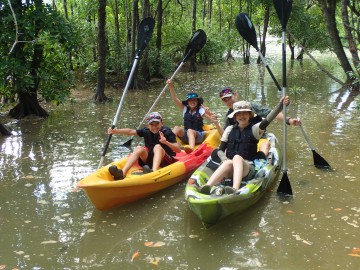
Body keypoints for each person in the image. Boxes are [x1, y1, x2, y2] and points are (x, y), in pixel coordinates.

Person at [199, 97, 288, 195]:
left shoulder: (255, 129)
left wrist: (280, 105)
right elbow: (220, 150)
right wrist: (224, 159)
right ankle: (208, 186)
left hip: (247, 169)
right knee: (228, 162)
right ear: (235, 116)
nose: (242, 116)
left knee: (237, 158)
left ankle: (235, 188)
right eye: (239, 113)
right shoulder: (229, 129)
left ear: (249, 115)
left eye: (245, 113)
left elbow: (268, 118)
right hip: (229, 169)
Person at [210, 88, 301, 159]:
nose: (228, 101)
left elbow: (270, 114)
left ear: (235, 95)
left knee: (265, 146)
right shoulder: (229, 116)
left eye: (229, 98)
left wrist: (289, 120)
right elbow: (226, 135)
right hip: (240, 141)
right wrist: (216, 123)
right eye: (225, 100)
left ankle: (261, 163)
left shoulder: (251, 106)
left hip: (258, 137)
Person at [107, 112, 181, 180]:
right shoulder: (146, 130)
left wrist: (166, 142)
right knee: (139, 148)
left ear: (162, 123)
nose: (154, 127)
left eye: (157, 124)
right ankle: (122, 173)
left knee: (157, 146)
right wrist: (116, 131)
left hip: (166, 161)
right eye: (151, 125)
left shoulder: (167, 131)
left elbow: (178, 149)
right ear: (148, 126)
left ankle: (153, 172)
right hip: (150, 160)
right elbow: (130, 131)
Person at [166, 79, 220, 153]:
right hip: (186, 136)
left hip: (198, 136)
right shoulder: (184, 109)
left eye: (194, 100)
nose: (192, 102)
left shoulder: (201, 110)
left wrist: (209, 112)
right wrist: (171, 86)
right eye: (190, 100)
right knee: (176, 128)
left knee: (190, 131)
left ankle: (191, 148)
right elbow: (175, 99)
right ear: (188, 102)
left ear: (197, 102)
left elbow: (214, 118)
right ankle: (168, 144)